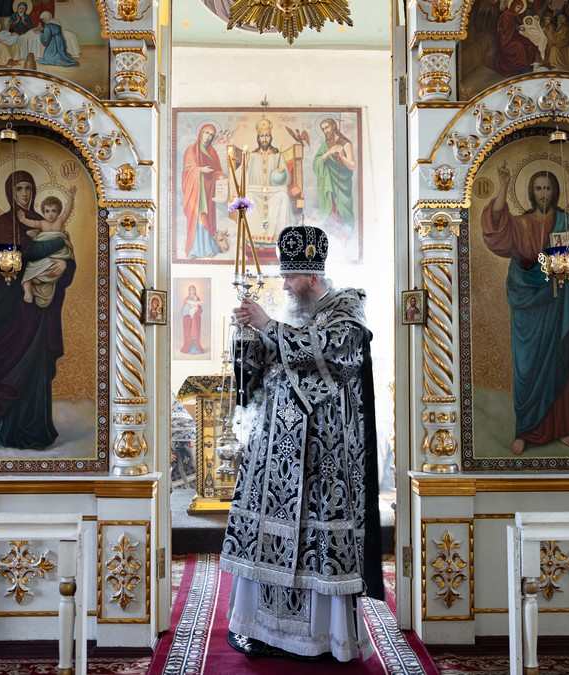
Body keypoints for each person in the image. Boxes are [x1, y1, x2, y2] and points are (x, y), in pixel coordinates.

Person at [222, 224, 383, 662]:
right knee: (265, 538)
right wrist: (246, 338)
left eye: (290, 278)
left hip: (322, 458)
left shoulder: (348, 313)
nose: (285, 286)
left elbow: (326, 354)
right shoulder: (289, 315)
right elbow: (260, 371)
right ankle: (261, 629)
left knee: (318, 543)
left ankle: (320, 639)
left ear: (312, 276)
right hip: (273, 456)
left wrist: (268, 326)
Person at [481, 164, 569, 455]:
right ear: (531, 192)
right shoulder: (521, 224)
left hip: (560, 303)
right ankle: (525, 431)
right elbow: (495, 226)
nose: (543, 194)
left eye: (548, 188)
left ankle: (563, 427)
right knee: (527, 368)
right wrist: (503, 185)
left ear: (556, 191)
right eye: (538, 188)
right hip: (527, 305)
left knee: (560, 360)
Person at [0, 170, 75, 449]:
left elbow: (62, 259)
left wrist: (65, 264)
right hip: (11, 308)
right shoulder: (1, 225)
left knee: (34, 368)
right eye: (19, 189)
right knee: (7, 364)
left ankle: (35, 432)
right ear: (9, 193)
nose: (24, 194)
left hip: (39, 311)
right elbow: (7, 267)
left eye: (28, 188)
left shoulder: (43, 219)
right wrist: (55, 244)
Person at [17, 187, 77, 307]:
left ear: (58, 212)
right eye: (47, 211)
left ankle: (40, 279)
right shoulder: (42, 223)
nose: (50, 214)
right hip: (44, 252)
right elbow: (32, 223)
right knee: (30, 268)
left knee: (54, 267)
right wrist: (23, 219)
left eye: (53, 211)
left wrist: (71, 197)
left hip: (57, 253)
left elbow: (67, 211)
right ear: (43, 212)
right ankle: (28, 291)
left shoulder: (60, 221)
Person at [245, 117, 294, 247]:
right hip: (257, 192)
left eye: (267, 135)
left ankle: (279, 236)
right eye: (262, 136)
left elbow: (287, 179)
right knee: (249, 195)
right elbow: (245, 177)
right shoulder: (252, 156)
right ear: (258, 138)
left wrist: (281, 172)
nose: (264, 138)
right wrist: (245, 163)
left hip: (273, 192)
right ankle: (255, 237)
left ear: (271, 137)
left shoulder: (277, 156)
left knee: (283, 195)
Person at [181, 123, 224, 259]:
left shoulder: (212, 152)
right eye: (206, 133)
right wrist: (200, 170)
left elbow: (217, 171)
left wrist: (219, 176)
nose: (208, 137)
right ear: (201, 133)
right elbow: (187, 171)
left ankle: (209, 249)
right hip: (195, 192)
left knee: (207, 219)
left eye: (211, 135)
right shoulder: (191, 150)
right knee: (197, 218)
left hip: (208, 191)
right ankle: (194, 250)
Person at [313, 117, 356, 233]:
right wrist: (329, 152)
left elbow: (353, 166)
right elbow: (316, 163)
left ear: (333, 126)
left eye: (327, 127)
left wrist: (342, 157)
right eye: (323, 129)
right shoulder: (325, 146)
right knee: (331, 213)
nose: (325, 131)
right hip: (329, 186)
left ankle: (344, 236)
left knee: (343, 215)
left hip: (342, 185)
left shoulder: (346, 143)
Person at [493, 0, 539, 76]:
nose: (518, 10)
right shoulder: (505, 16)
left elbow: (519, 26)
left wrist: (521, 28)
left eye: (520, 8)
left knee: (530, 43)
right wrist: (510, 28)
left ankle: (529, 64)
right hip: (506, 40)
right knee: (519, 46)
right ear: (513, 5)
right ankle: (521, 66)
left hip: (514, 36)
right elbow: (502, 31)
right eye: (518, 7)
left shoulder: (517, 16)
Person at [180, 285, 205, 354]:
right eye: (191, 290)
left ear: (195, 290)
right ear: (189, 291)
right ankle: (188, 349)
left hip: (195, 319)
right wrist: (187, 312)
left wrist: (195, 313)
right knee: (188, 333)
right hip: (188, 319)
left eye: (193, 290)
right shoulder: (186, 299)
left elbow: (200, 308)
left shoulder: (197, 298)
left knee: (194, 333)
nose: (192, 291)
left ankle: (196, 348)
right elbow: (183, 309)